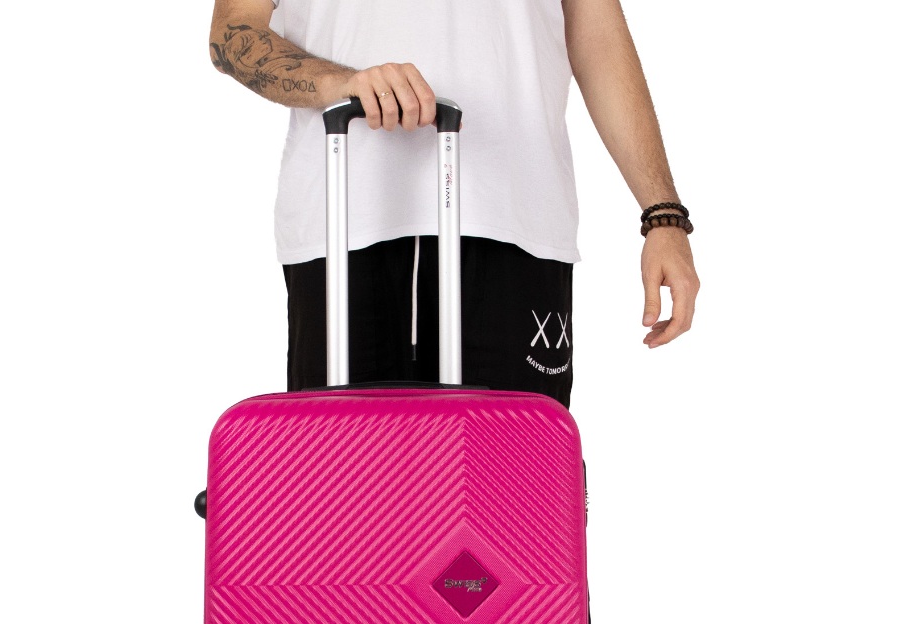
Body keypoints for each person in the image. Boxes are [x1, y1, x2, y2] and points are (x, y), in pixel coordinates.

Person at [208, 0, 699, 406]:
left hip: (510, 220)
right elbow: (233, 32)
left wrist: (663, 214)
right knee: (343, 481)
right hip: (344, 221)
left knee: (511, 478)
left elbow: (598, 34)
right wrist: (342, 84)